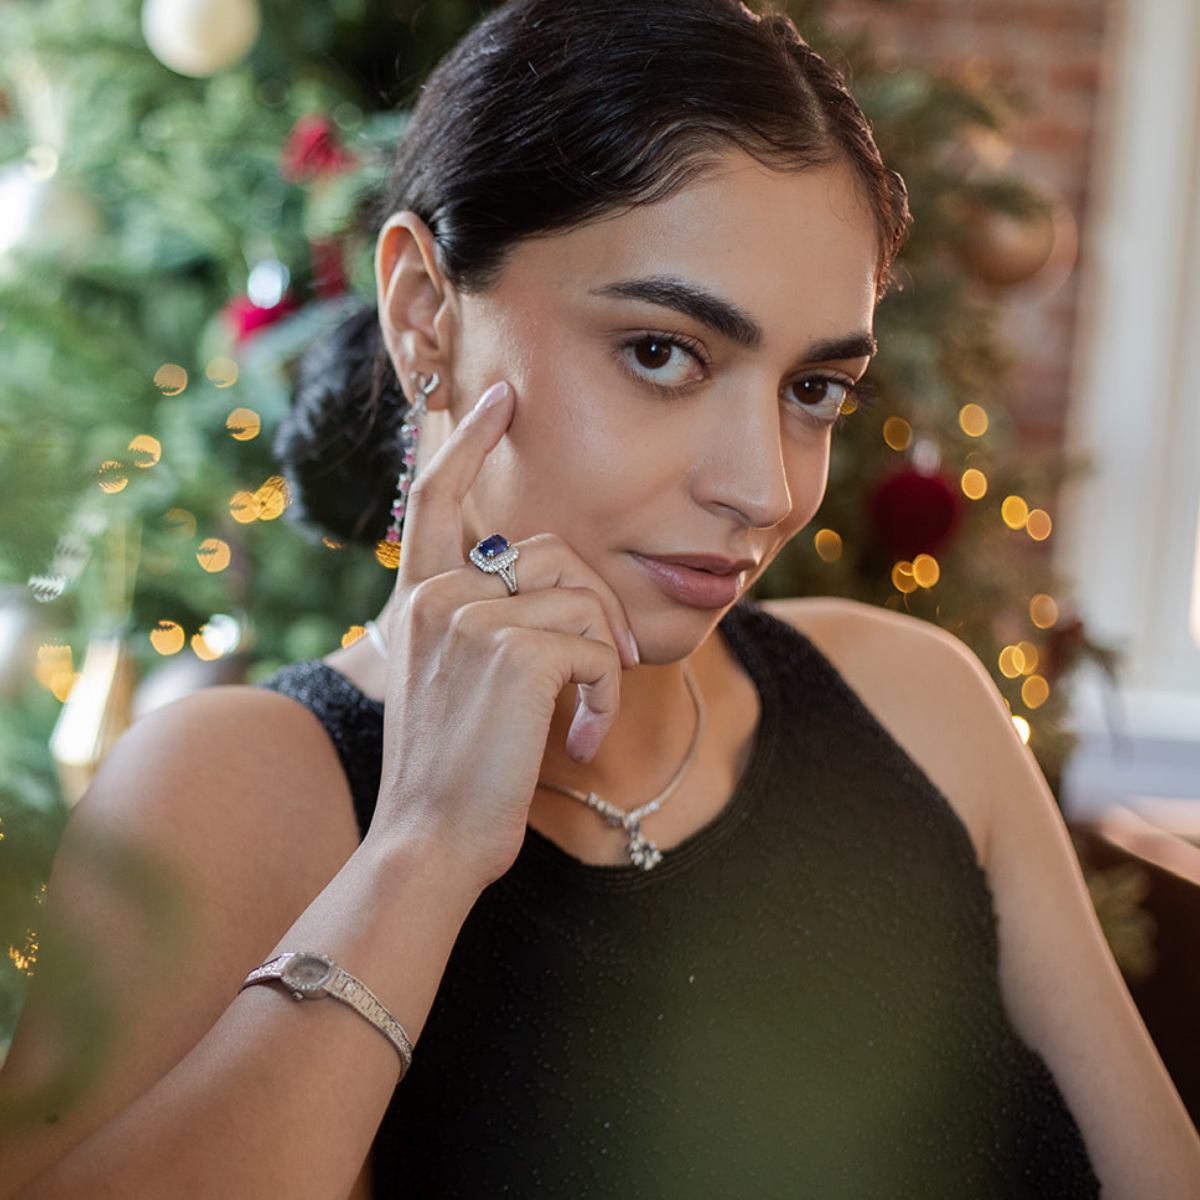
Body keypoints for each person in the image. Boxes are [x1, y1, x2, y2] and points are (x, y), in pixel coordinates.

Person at [1, 1, 1197, 1196]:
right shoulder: (228, 792)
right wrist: (420, 854)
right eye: (662, 353)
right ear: (425, 310)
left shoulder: (920, 707)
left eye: (815, 389)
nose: (763, 489)